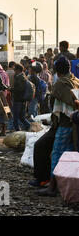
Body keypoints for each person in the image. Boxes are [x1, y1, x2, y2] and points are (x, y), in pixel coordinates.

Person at [38, 57, 79, 197]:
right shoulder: (74, 79)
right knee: (68, 155)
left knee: (57, 155)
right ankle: (65, 184)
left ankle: (52, 187)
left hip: (65, 124)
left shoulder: (61, 84)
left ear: (57, 70)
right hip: (73, 125)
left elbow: (72, 102)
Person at [11, 63, 32, 131]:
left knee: (16, 117)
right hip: (22, 99)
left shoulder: (19, 77)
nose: (14, 70)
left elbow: (20, 89)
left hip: (18, 99)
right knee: (21, 117)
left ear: (18, 70)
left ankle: (18, 131)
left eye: (15, 69)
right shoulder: (23, 76)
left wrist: (11, 89)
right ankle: (29, 127)